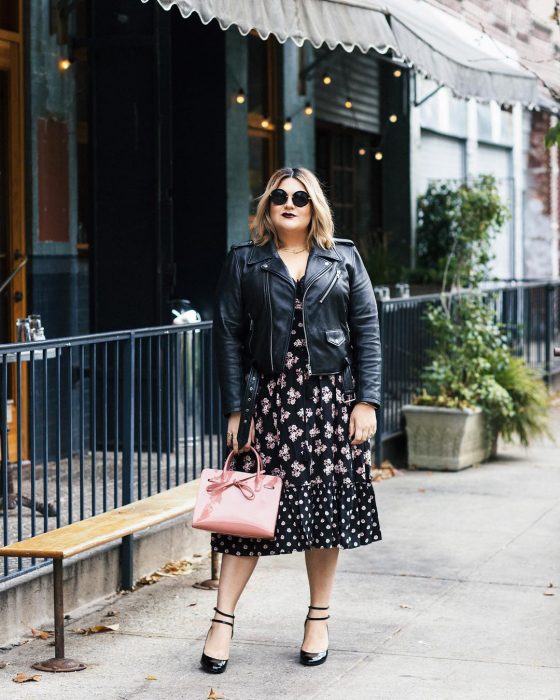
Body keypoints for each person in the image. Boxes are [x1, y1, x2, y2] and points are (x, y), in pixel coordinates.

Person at [202, 166, 382, 674]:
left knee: (326, 516)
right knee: (246, 516)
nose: (289, 203)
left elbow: (366, 330)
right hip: (272, 405)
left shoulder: (343, 258)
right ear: (267, 205)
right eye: (279, 196)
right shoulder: (245, 262)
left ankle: (318, 619)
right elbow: (229, 338)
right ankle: (221, 621)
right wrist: (238, 408)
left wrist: (366, 400)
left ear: (313, 205)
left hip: (329, 405)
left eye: (299, 197)